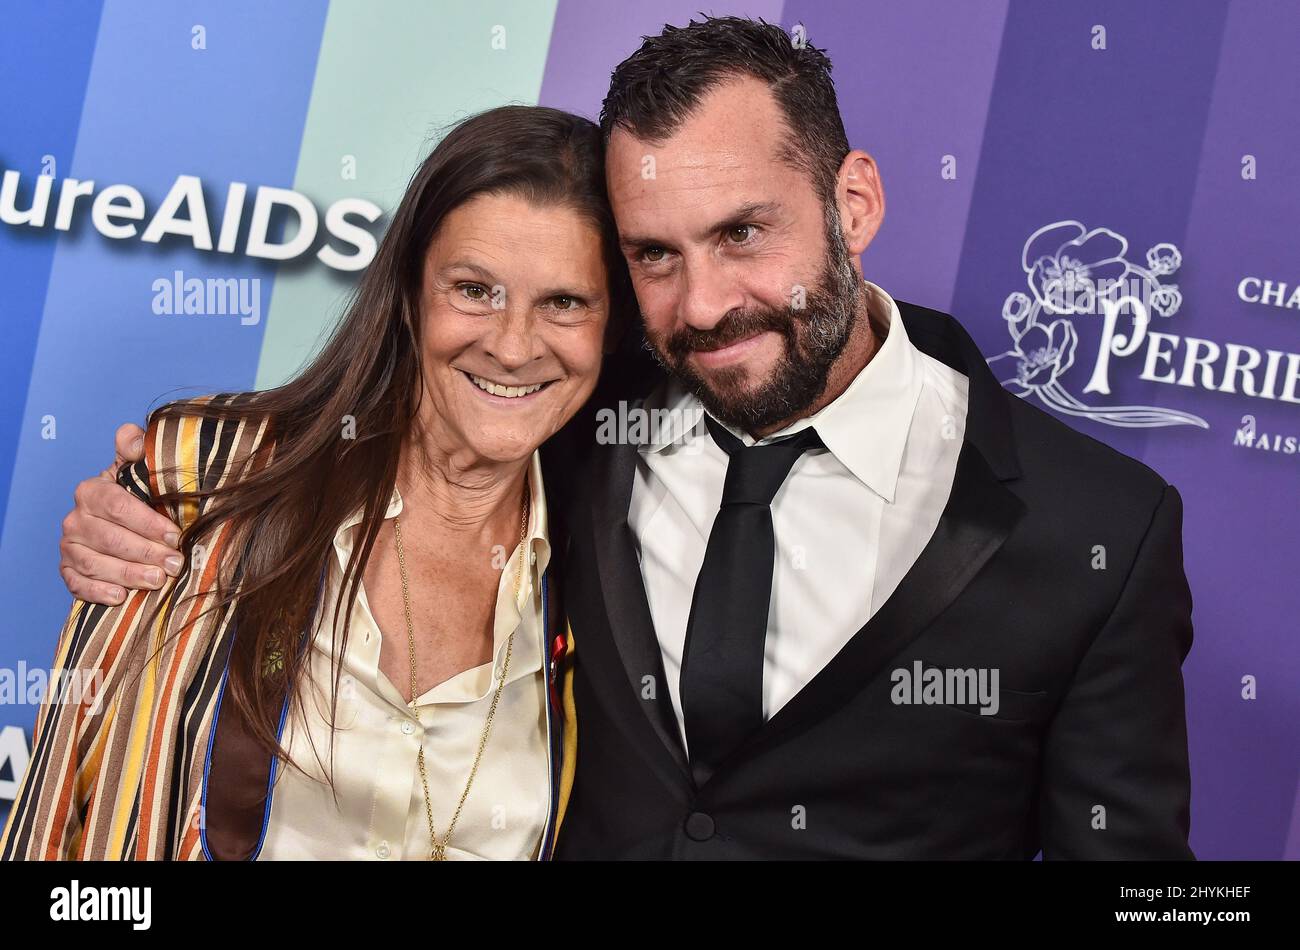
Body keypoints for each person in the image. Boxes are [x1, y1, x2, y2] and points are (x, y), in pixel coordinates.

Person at [51, 17, 1195, 860]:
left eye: (744, 231)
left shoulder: (1095, 525)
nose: (702, 304)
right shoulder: (580, 421)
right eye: (653, 255)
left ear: (853, 204)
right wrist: (161, 503)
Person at [2, 104, 632, 860]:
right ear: (409, 296)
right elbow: (57, 820)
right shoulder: (205, 482)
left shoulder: (612, 568)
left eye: (564, 302)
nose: (512, 344)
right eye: (473, 289)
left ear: (611, 327)